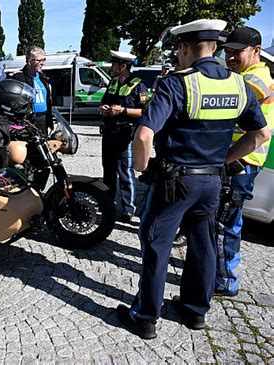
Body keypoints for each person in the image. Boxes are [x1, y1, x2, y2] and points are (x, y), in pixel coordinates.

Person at [115, 19, 270, 340]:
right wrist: (223, 160)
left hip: (174, 182)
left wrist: (143, 170)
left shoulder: (178, 84)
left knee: (157, 243)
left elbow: (144, 135)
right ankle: (195, 311)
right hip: (213, 182)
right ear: (214, 47)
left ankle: (145, 316)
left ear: (184, 48)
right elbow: (259, 135)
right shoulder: (239, 85)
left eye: (178, 50)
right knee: (204, 244)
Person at [215, 27, 274, 297]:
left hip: (240, 162)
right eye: (227, 52)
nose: (229, 58)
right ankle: (215, 268)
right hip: (240, 159)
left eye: (236, 52)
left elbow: (226, 109)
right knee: (224, 221)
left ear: (256, 51)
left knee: (226, 224)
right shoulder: (247, 75)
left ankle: (226, 281)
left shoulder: (255, 79)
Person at [99, 50, 148, 222]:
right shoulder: (112, 82)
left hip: (125, 134)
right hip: (109, 133)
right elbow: (103, 102)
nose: (111, 67)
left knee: (126, 173)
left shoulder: (138, 85)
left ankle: (128, 209)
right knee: (108, 171)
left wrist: (123, 110)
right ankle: (107, 203)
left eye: (114, 64)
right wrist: (103, 109)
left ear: (123, 66)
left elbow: (145, 111)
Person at [8, 46, 53, 135]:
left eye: (43, 60)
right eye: (39, 60)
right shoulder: (18, 77)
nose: (42, 63)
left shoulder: (43, 78)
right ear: (29, 61)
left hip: (43, 119)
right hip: (28, 121)